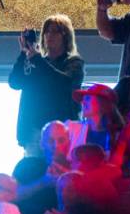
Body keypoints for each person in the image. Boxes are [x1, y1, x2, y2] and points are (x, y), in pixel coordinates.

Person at [8, 14, 84, 148]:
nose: (49, 35)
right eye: (47, 31)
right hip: (32, 133)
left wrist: (37, 60)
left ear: (65, 36)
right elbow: (15, 82)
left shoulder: (74, 63)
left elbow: (64, 83)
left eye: (55, 31)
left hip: (60, 135)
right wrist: (23, 54)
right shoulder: (36, 61)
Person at [65, 83, 124, 158]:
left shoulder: (119, 135)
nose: (83, 102)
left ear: (103, 104)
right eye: (83, 99)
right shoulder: (71, 128)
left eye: (88, 98)